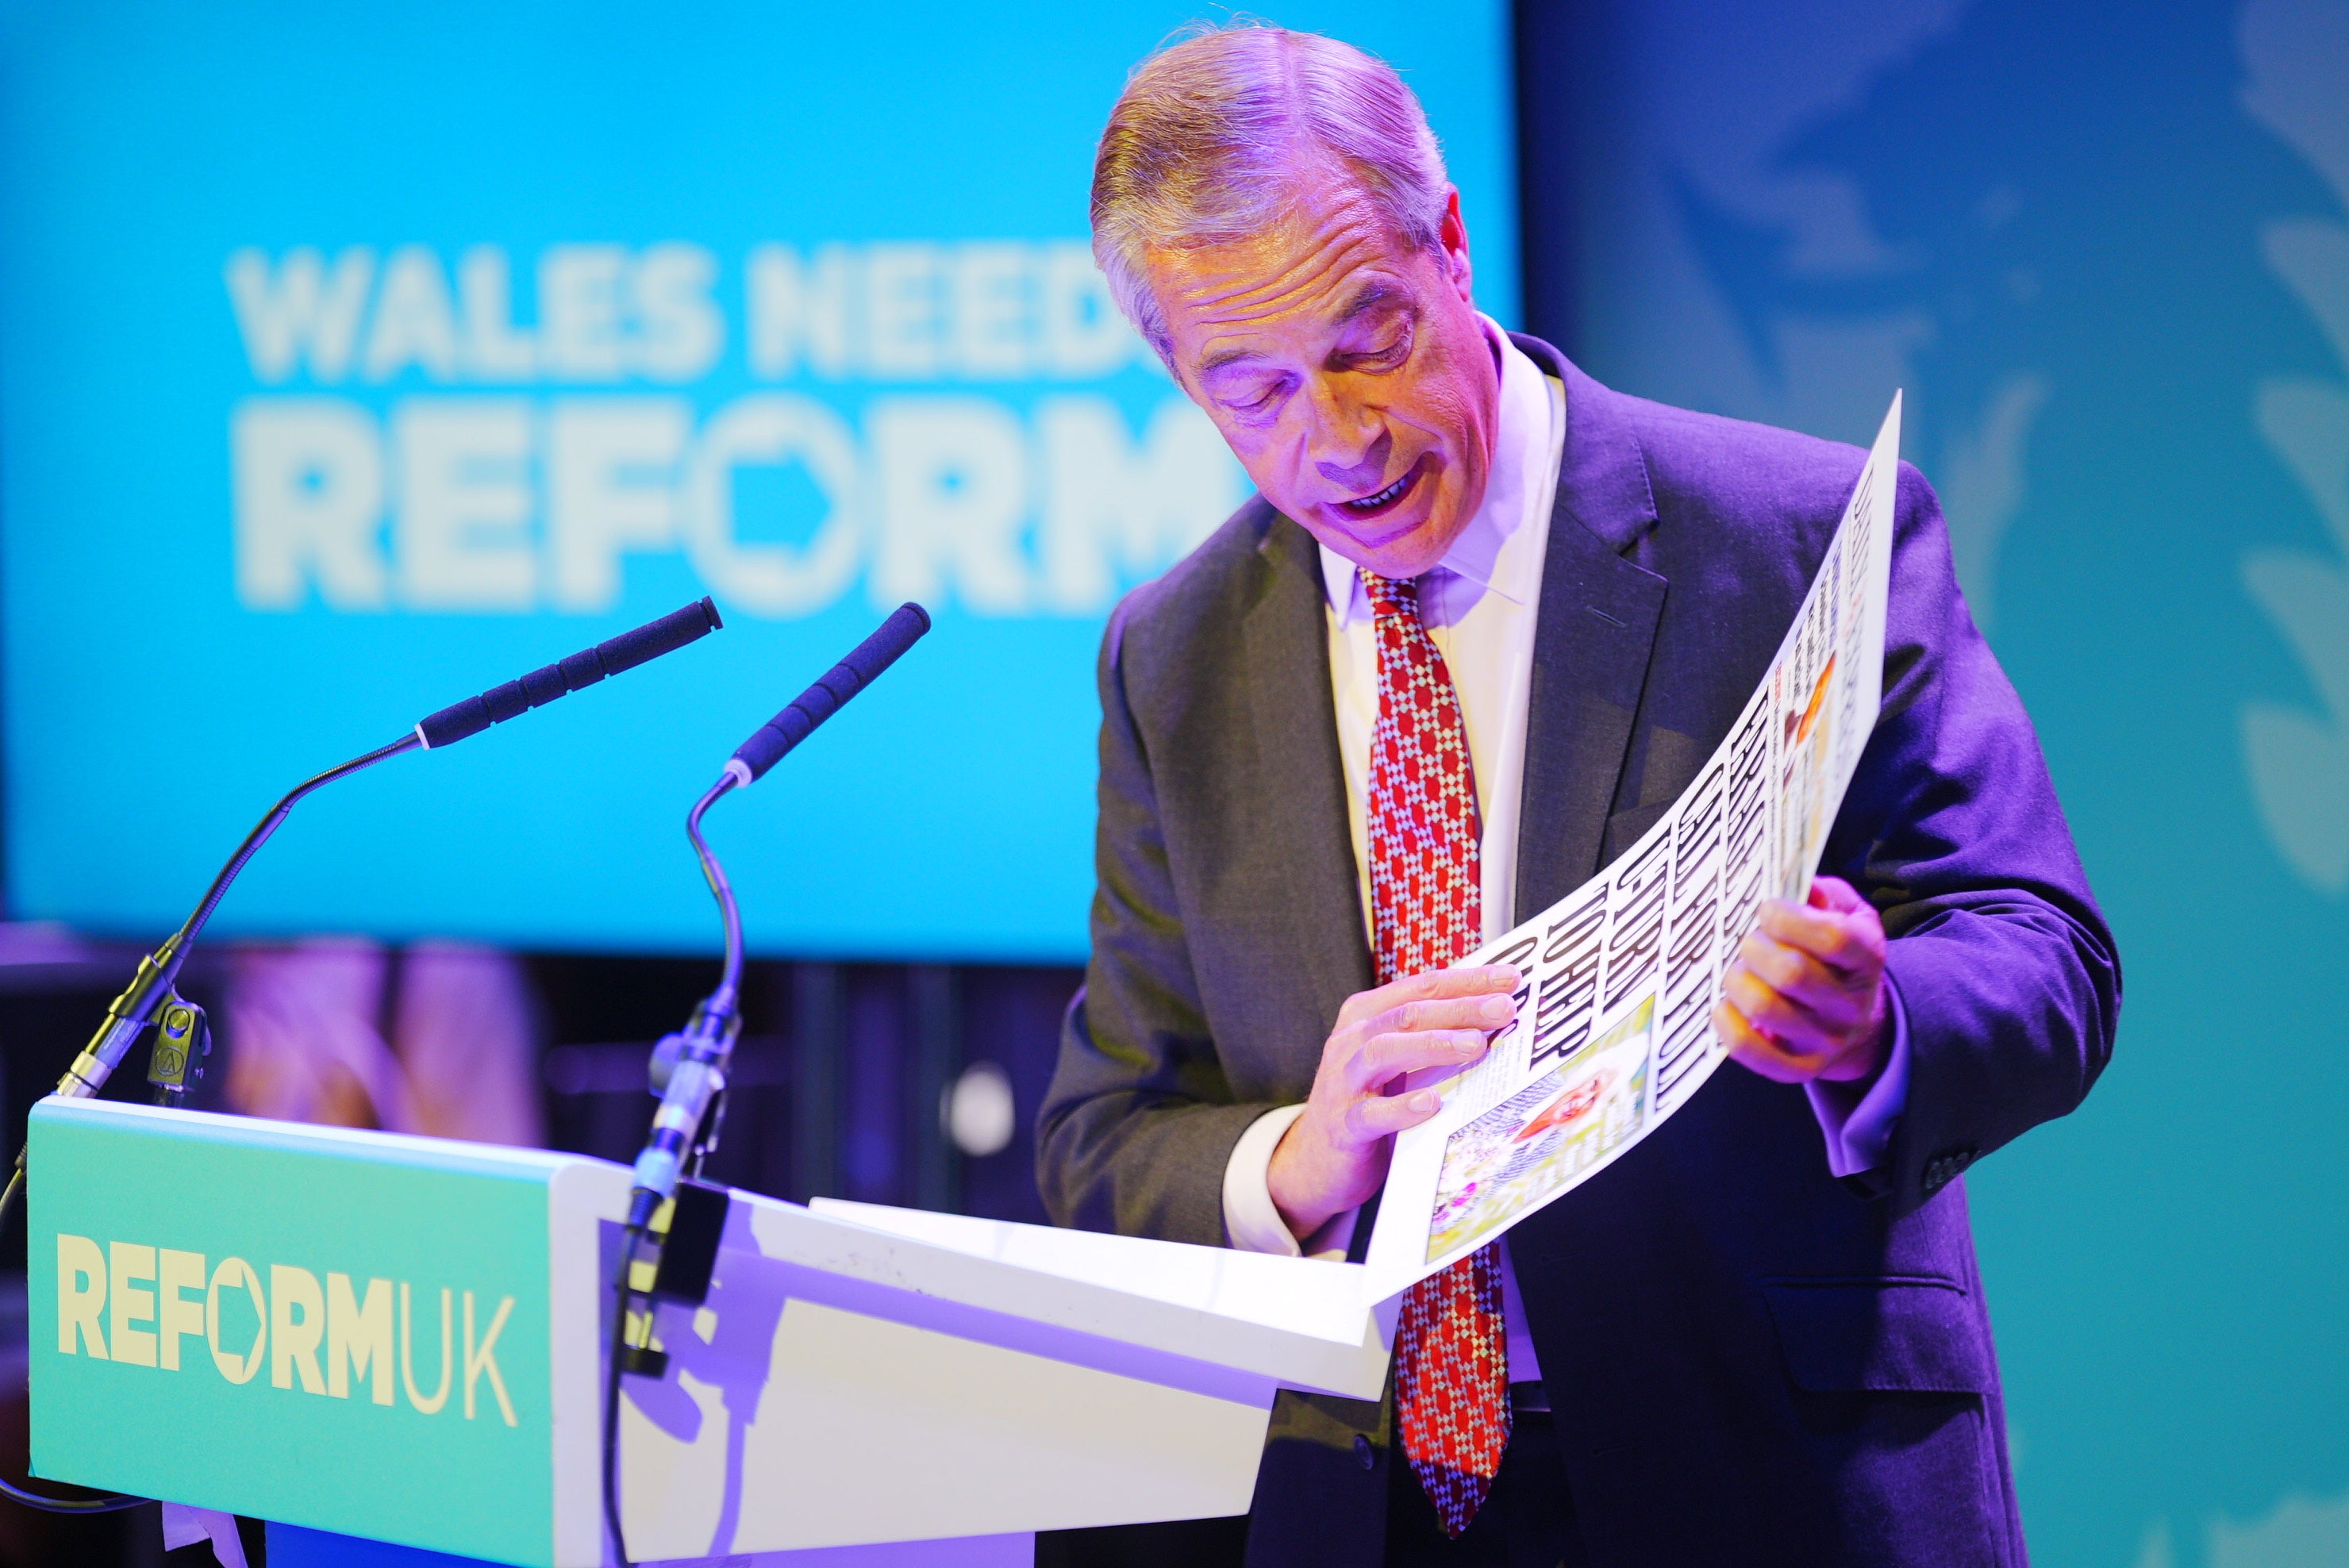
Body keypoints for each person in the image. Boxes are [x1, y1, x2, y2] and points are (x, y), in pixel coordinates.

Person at [1036, 24, 2120, 1568]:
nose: (1336, 440)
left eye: (1367, 341)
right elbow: (1105, 1137)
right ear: (1176, 372)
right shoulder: (1176, 652)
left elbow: (2044, 952)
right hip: (1365, 1509)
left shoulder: (1788, 535)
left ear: (1452, 245)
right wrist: (1303, 1152)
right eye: (1253, 390)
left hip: (1764, 1480)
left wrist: (1871, 1023)